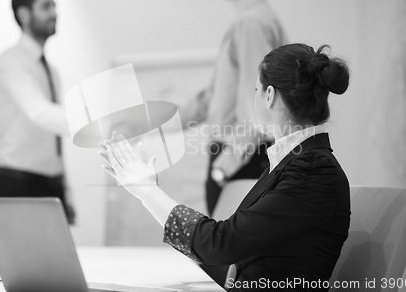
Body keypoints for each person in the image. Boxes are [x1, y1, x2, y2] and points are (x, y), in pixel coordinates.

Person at [99, 43, 351, 291]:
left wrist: (147, 192)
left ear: (269, 95)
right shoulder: (295, 161)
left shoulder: (312, 169)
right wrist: (150, 194)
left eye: (255, 88)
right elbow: (236, 259)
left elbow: (223, 244)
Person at [179, 0, 287, 217]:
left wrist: (223, 169)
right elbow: (213, 98)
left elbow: (259, 105)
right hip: (239, 157)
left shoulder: (251, 23)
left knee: (225, 254)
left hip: (240, 160)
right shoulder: (253, 21)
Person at [0, 0, 75, 224]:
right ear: (24, 14)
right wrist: (91, 124)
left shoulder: (52, 71)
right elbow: (40, 113)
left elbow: (52, 138)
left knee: (54, 262)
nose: (54, 13)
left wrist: (65, 189)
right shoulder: (10, 63)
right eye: (46, 6)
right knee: (18, 262)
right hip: (16, 185)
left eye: (54, 5)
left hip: (51, 185)